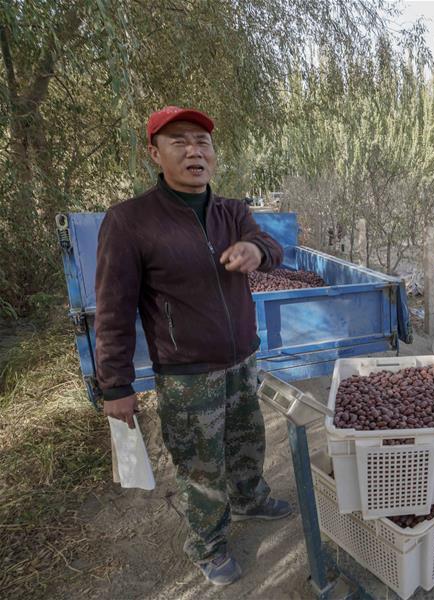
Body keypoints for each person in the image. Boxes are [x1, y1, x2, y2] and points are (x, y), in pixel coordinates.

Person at [95, 106, 290, 586]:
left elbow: (272, 245)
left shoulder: (232, 212)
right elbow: (113, 310)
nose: (194, 150)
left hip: (242, 357)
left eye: (202, 141)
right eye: (179, 141)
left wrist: (257, 251)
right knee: (201, 467)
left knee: (248, 440)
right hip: (186, 374)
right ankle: (208, 543)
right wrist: (115, 384)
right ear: (154, 154)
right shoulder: (129, 221)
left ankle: (250, 499)